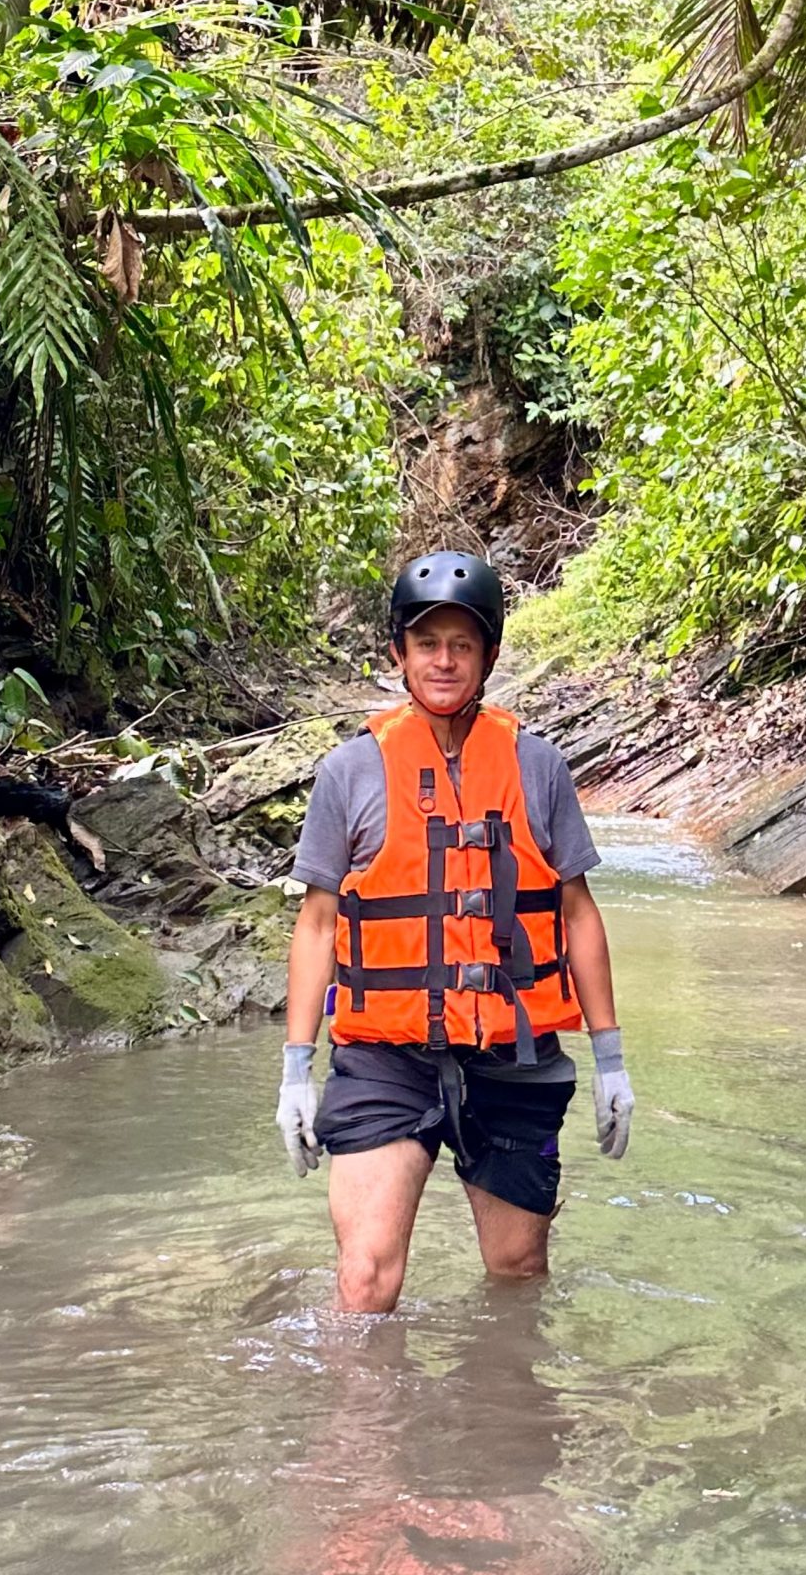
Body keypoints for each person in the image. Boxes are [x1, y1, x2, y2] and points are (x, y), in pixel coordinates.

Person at [276, 550, 634, 1313]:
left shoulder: (538, 766)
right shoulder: (350, 772)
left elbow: (576, 912)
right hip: (385, 1057)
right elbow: (316, 923)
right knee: (366, 1280)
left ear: (490, 655)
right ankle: (363, 1427)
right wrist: (294, 1073)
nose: (444, 661)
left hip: (514, 1056)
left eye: (462, 645)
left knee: (517, 1275)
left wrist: (612, 1062)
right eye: (427, 642)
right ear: (399, 652)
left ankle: (500, 1421)